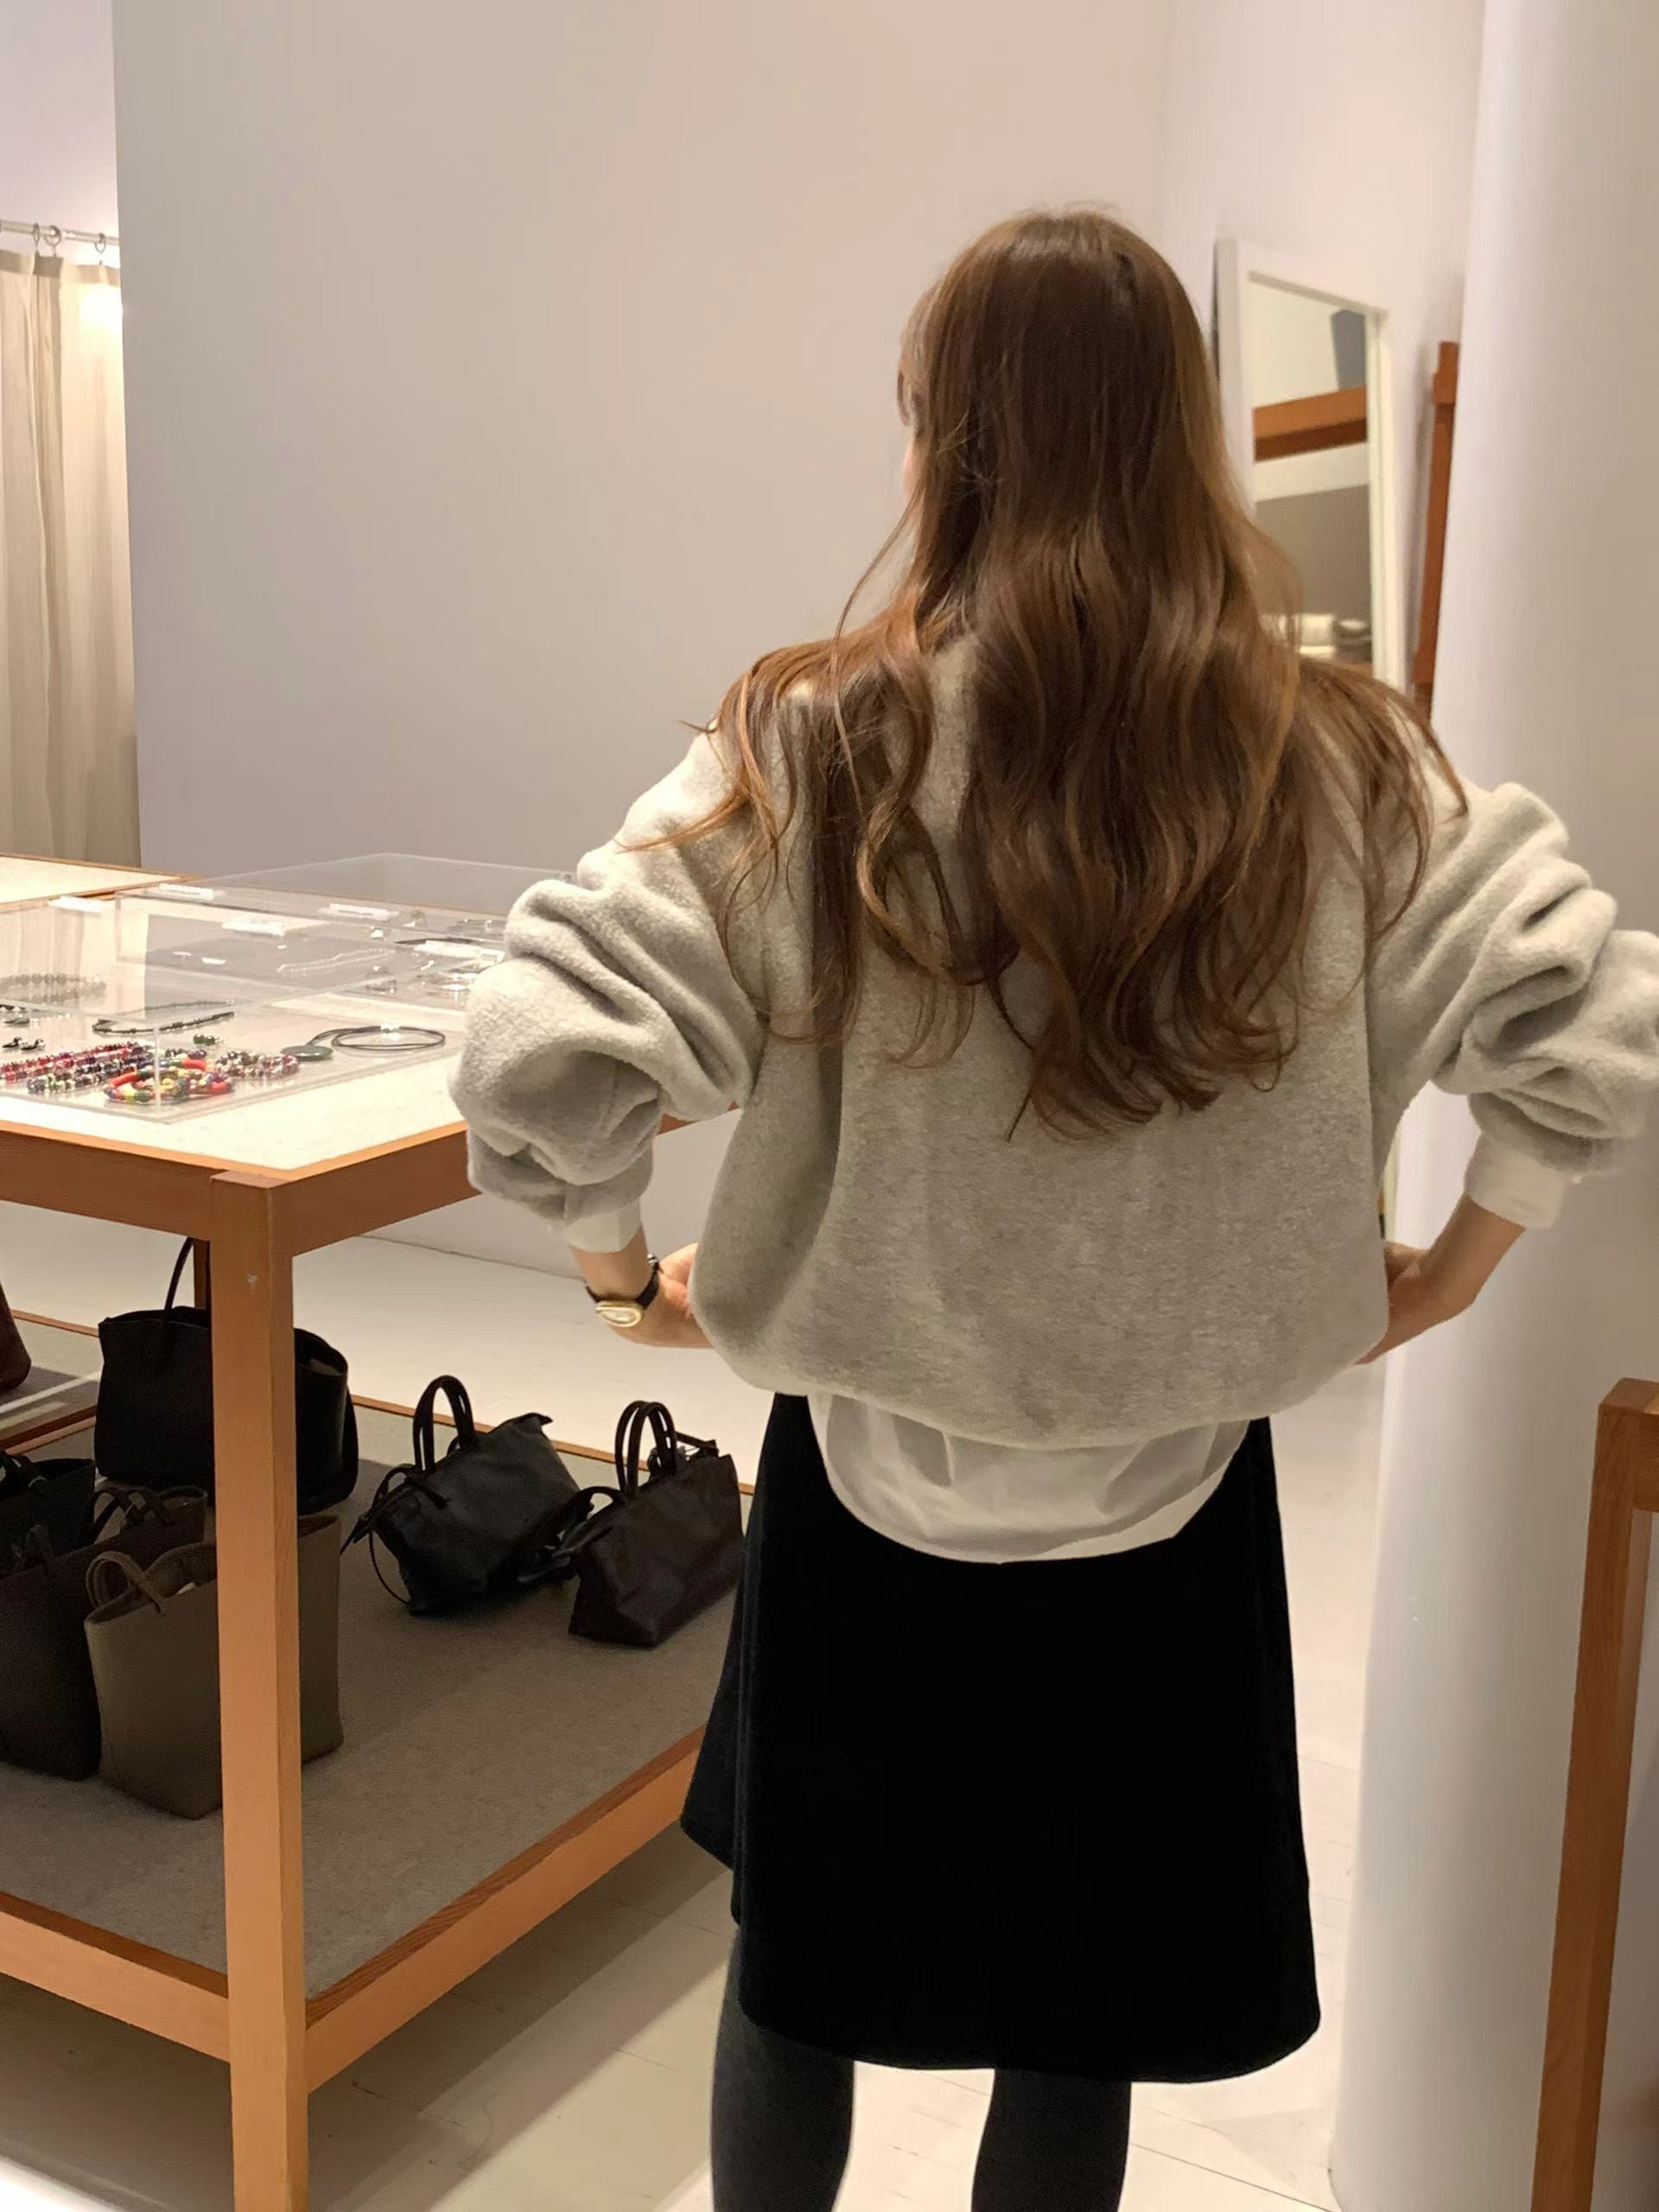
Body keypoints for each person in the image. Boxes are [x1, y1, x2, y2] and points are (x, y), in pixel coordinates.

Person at [454, 207, 1659, 2212]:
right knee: (1076, 2008)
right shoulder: (1337, 761)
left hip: (866, 1489)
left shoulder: (820, 742)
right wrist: (1459, 1264)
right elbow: (1595, 1015)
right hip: (1173, 1513)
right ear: (1185, 439)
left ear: (947, 440)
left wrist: (613, 1280)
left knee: (796, 1971)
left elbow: (535, 1049)